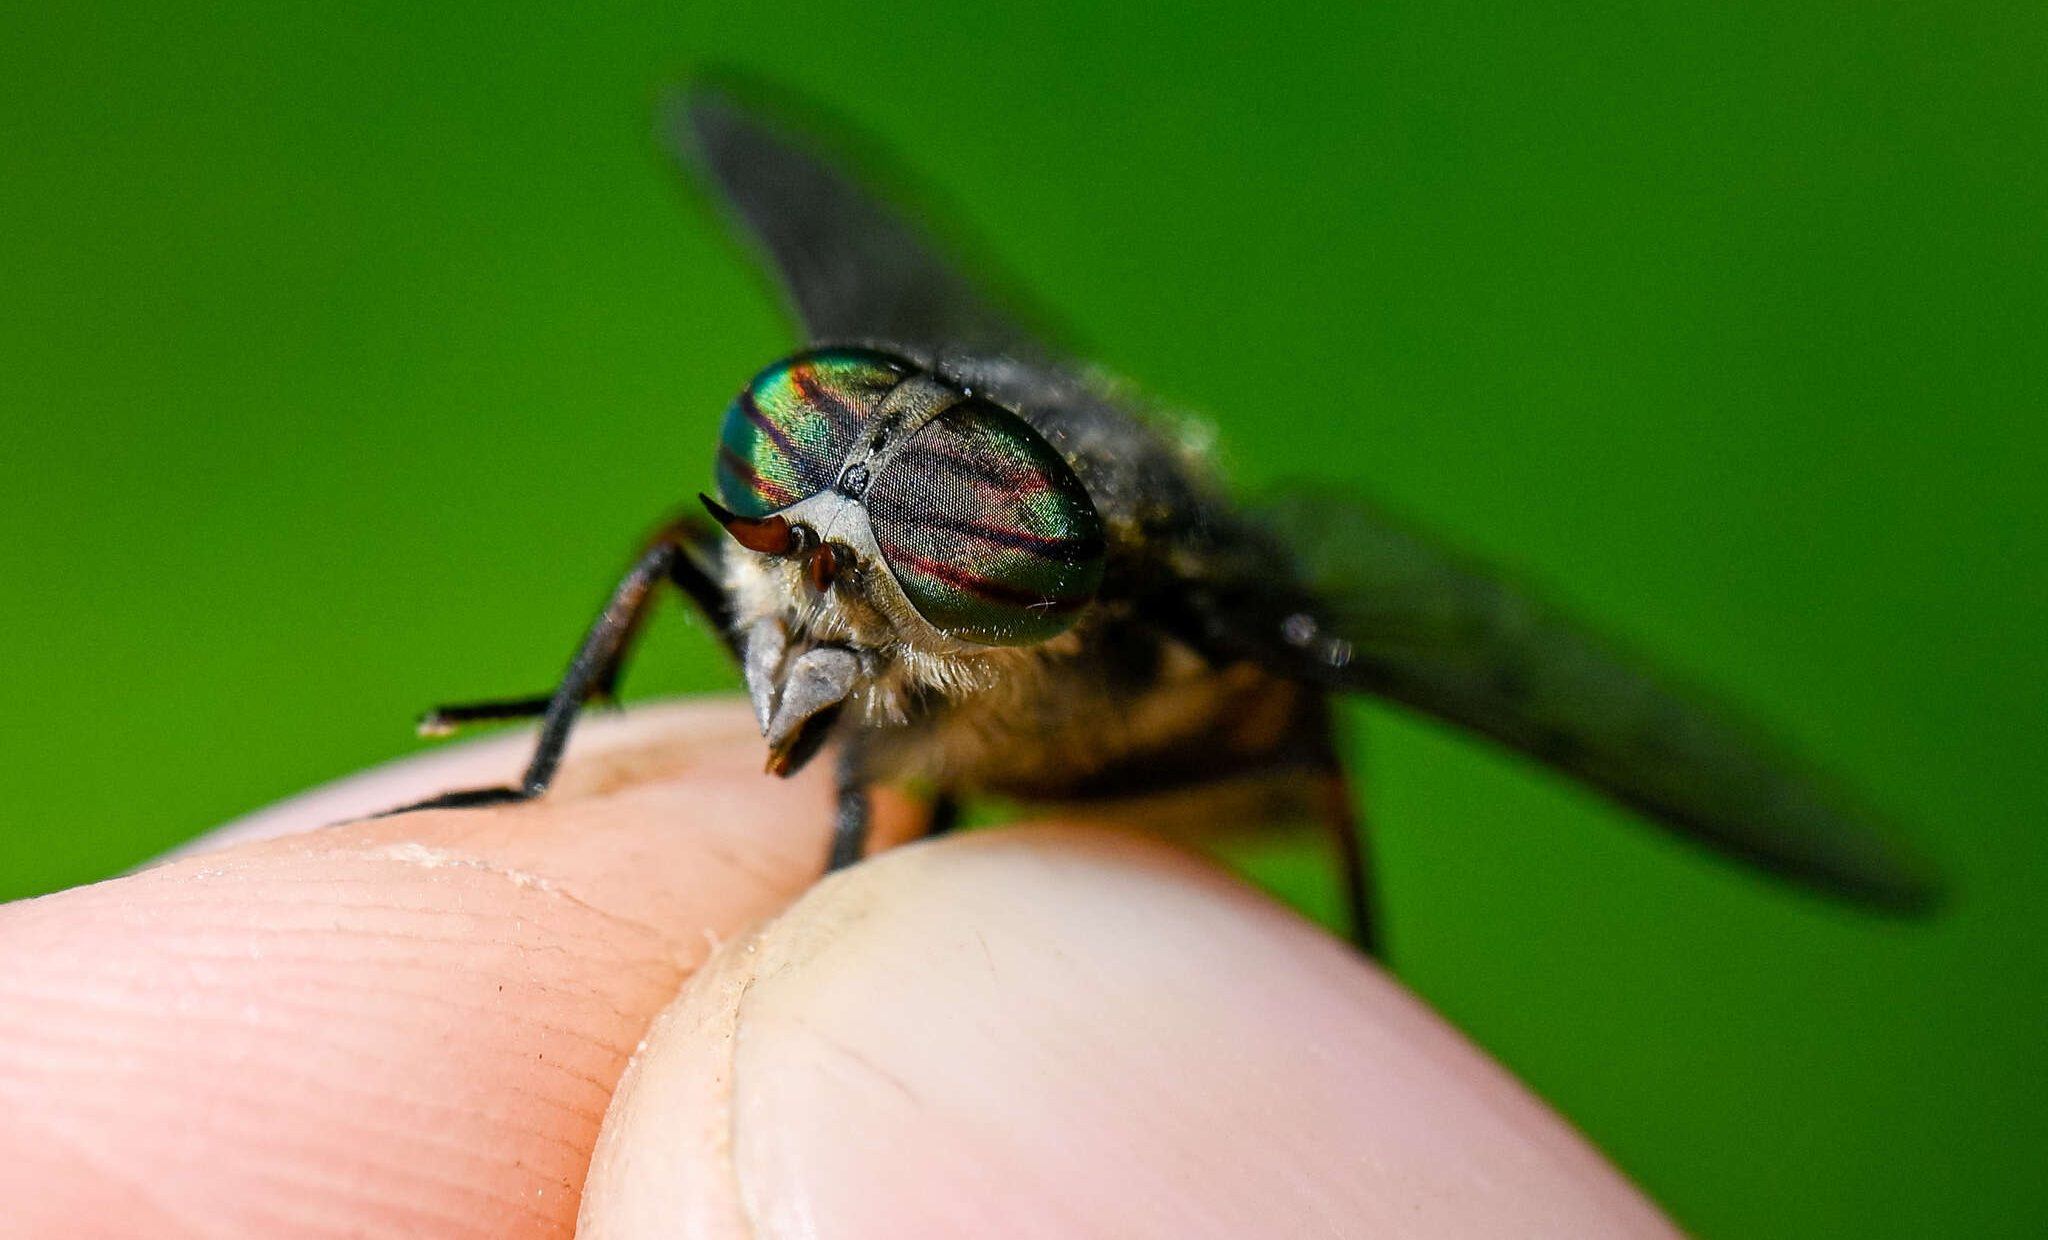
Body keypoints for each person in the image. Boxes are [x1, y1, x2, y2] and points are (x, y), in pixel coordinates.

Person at [0, 699, 1677, 1238]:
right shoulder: (844, 575)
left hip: (1172, 720)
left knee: (1313, 770)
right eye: (788, 479)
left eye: (918, 538)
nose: (816, 550)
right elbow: (711, 545)